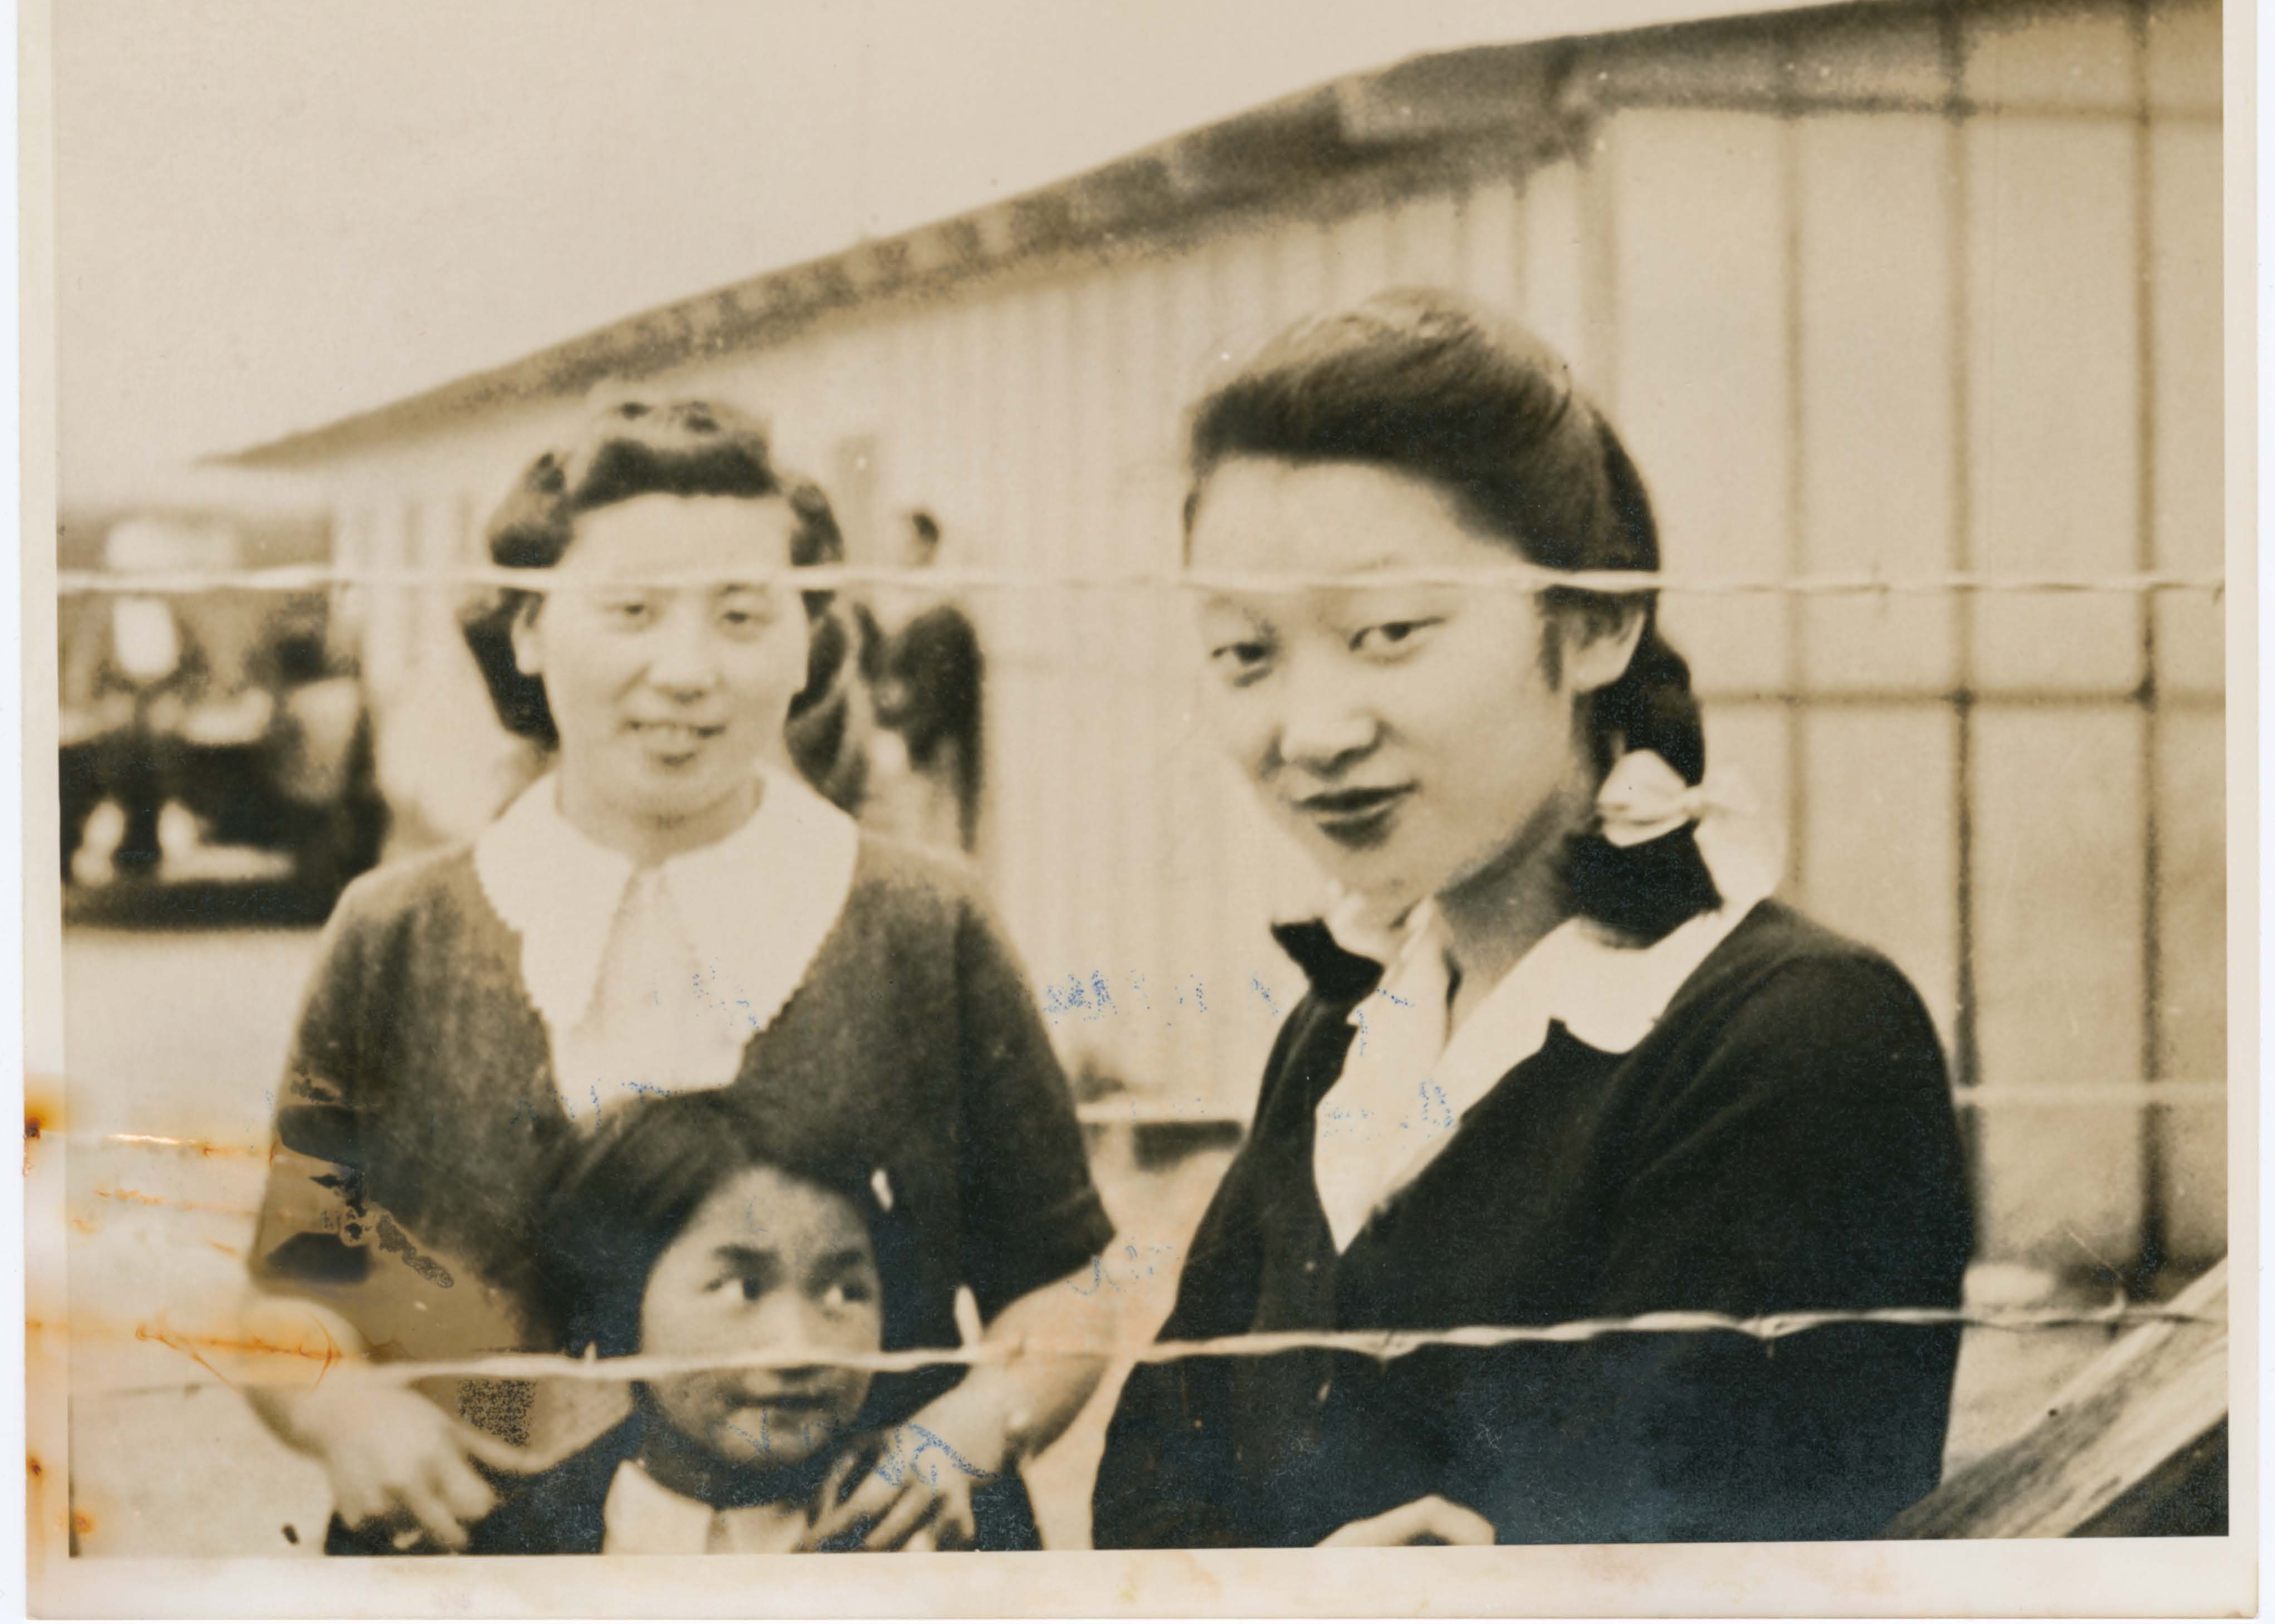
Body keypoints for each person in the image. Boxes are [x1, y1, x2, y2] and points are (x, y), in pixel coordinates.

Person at [1092, 290, 1973, 1549]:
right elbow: (1143, 1487)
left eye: (1387, 632)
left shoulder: (1791, 1037)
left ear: (1599, 619)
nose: (1312, 728)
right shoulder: (1348, 1021)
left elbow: (1667, 1546)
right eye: (1244, 653)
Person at [242, 394, 1115, 1555]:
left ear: (807, 640)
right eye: (632, 612)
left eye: (742, 615)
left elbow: (1062, 1283)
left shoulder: (923, 921)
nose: (686, 670)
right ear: (528, 633)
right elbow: (287, 1286)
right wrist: (343, 1411)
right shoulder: (395, 932)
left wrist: (975, 1423)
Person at [335, 1088, 1046, 1553]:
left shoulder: (954, 1523)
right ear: (618, 1301)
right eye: (742, 1286)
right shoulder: (505, 1540)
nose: (798, 1346)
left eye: (843, 1292)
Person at [867, 510, 985, 854]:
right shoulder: (897, 606)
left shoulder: (943, 616)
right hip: (898, 755)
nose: (891, 552)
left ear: (925, 547)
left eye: (901, 543)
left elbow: (940, 698)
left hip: (927, 758)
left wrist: (906, 741)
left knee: (928, 846)